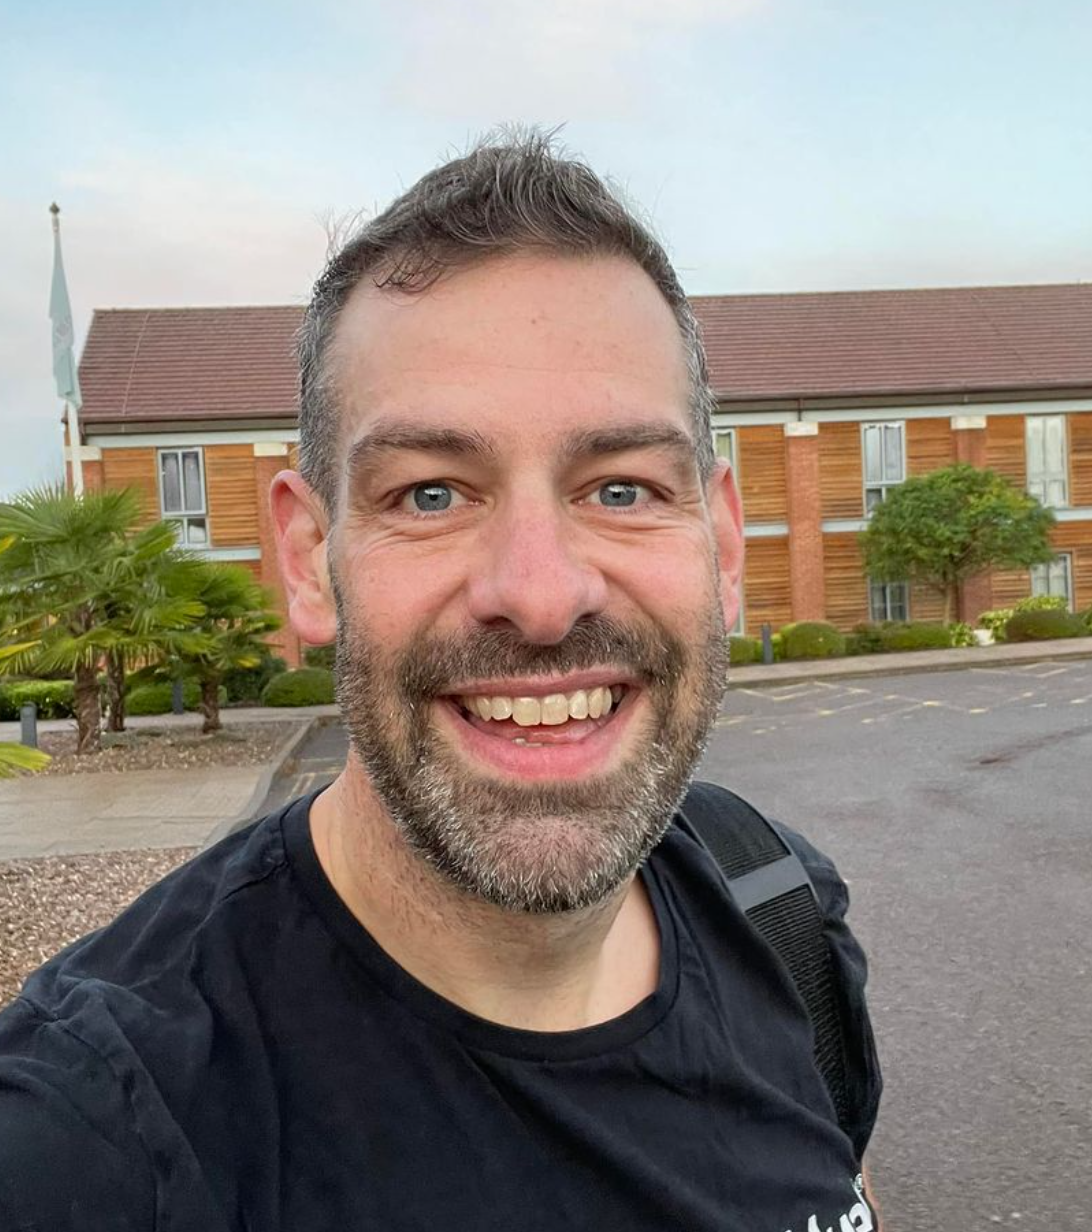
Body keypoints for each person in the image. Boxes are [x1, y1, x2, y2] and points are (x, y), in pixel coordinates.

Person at [0, 132, 881, 1231]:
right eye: (429, 493)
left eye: (619, 487)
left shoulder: (780, 913)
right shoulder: (99, 1140)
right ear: (306, 558)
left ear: (724, 545)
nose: (542, 594)